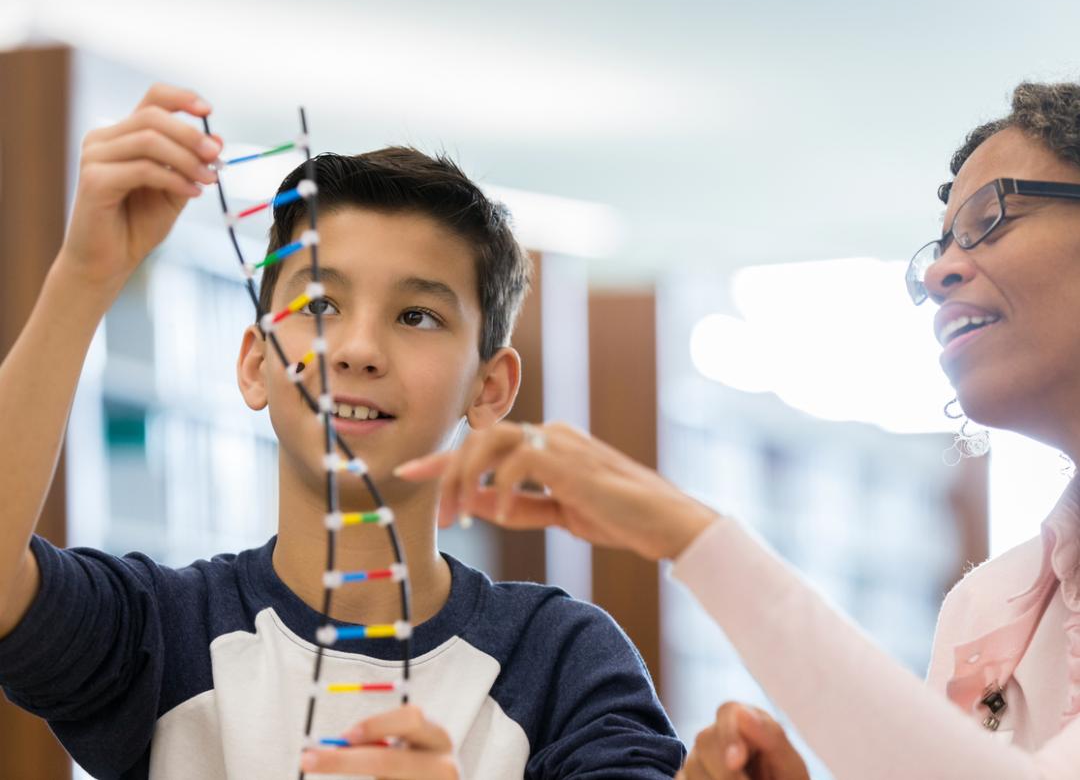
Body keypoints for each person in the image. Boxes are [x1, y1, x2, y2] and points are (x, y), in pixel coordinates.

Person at [396, 80, 1080, 779]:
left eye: (990, 218)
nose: (939, 272)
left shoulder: (558, 652)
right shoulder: (985, 606)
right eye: (938, 245)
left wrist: (688, 533)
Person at [0, 84, 685, 779]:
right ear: (255, 365)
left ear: (491, 387)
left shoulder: (561, 663)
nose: (357, 349)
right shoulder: (165, 631)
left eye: (416, 316)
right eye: (319, 303)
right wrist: (84, 275)